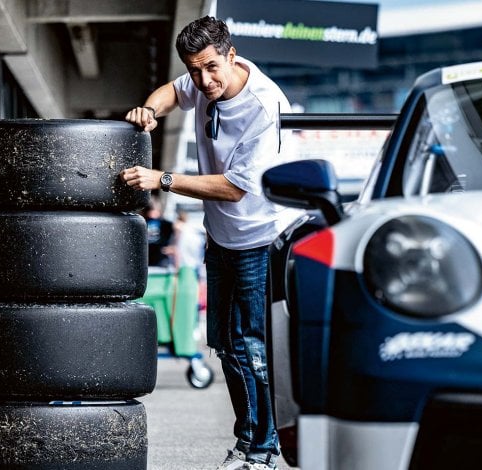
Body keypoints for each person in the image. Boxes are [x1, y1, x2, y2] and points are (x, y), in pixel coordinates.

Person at [121, 15, 296, 470]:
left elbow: (237, 188)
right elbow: (172, 92)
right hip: (222, 237)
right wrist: (149, 109)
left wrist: (163, 179)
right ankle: (248, 443)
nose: (204, 80)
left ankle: (263, 450)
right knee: (223, 342)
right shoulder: (199, 79)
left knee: (252, 344)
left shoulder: (264, 106)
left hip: (261, 237)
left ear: (232, 55)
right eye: (195, 69)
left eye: (212, 68)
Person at [143, 196, 176, 268]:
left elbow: (174, 234)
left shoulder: (166, 224)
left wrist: (172, 246)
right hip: (146, 258)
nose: (152, 215)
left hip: (160, 259)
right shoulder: (142, 222)